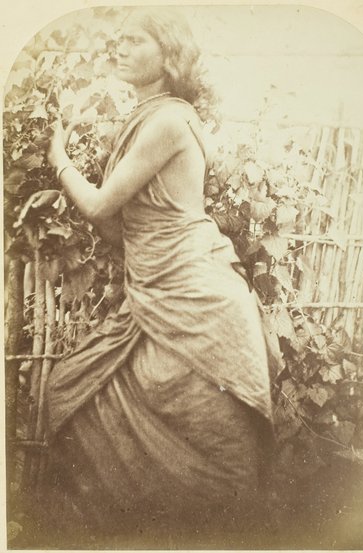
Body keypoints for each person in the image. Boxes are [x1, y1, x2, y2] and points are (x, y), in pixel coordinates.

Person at [43, 7, 275, 549]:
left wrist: (58, 159)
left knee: (204, 429)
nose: (119, 49)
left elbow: (100, 206)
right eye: (118, 40)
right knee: (78, 392)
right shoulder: (151, 119)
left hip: (194, 294)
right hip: (154, 290)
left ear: (168, 55)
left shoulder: (169, 122)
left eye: (134, 41)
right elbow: (126, 229)